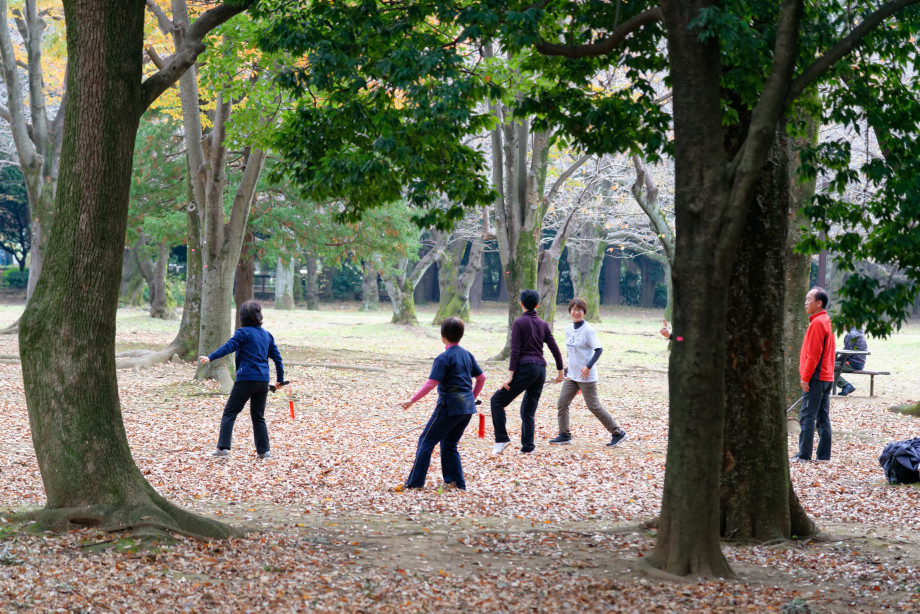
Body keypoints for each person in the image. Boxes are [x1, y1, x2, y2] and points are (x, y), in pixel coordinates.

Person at [398, 317, 486, 490]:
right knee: (449, 443)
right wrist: (472, 397)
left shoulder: (443, 358)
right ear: (460, 335)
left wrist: (411, 400)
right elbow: (481, 378)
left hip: (449, 406)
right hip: (467, 408)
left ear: (443, 336)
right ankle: (456, 482)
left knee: (426, 441)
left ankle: (415, 483)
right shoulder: (467, 354)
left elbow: (431, 383)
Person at [199, 300, 285, 459]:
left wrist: (211, 357)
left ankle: (222, 449)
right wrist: (280, 379)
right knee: (258, 416)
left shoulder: (242, 333)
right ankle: (264, 451)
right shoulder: (267, 335)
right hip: (262, 381)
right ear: (259, 316)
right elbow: (278, 359)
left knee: (230, 412)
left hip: (246, 379)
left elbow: (228, 347)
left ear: (242, 318)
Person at [490, 289, 564, 454]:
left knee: (496, 401)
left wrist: (510, 375)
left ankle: (501, 439)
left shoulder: (519, 323)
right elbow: (555, 349)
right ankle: (528, 448)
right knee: (528, 411)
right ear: (537, 305)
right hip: (540, 371)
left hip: (526, 368)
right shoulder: (543, 324)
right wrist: (560, 371)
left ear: (521, 303)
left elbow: (515, 351)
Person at [549, 297, 627, 447]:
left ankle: (618, 432)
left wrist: (588, 366)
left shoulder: (588, 330)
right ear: (570, 311)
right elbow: (571, 350)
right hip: (572, 375)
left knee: (593, 406)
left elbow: (599, 350)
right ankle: (564, 435)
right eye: (573, 309)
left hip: (586, 375)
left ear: (584, 312)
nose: (576, 312)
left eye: (579, 310)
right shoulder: (568, 328)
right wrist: (567, 367)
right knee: (562, 403)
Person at [794, 287, 836, 462]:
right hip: (827, 377)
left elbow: (813, 355)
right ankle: (823, 456)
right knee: (822, 416)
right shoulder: (828, 320)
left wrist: (805, 377)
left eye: (809, 299)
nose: (806, 302)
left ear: (819, 303)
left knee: (808, 416)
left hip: (816, 377)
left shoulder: (818, 323)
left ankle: (804, 455)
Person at [836, 327, 867, 396]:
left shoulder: (850, 334)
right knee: (829, 366)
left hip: (853, 362)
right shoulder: (858, 333)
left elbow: (847, 352)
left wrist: (836, 359)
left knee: (828, 367)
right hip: (859, 362)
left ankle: (846, 386)